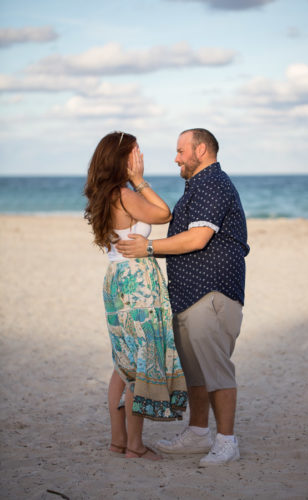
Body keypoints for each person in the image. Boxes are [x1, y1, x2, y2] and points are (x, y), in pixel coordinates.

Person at [116, 128, 250, 466]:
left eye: (180, 151)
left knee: (216, 371)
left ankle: (226, 441)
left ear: (200, 150)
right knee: (196, 373)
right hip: (190, 295)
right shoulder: (198, 186)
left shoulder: (213, 183)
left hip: (212, 293)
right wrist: (139, 181)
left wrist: (147, 247)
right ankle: (199, 433)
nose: (176, 158)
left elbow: (198, 239)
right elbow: (169, 218)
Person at [84, 131, 187, 461]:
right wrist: (140, 180)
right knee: (141, 363)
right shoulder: (124, 194)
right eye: (135, 152)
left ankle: (118, 441)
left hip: (115, 279)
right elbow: (163, 213)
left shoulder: (103, 194)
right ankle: (134, 446)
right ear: (123, 159)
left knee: (123, 363)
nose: (140, 156)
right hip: (135, 282)